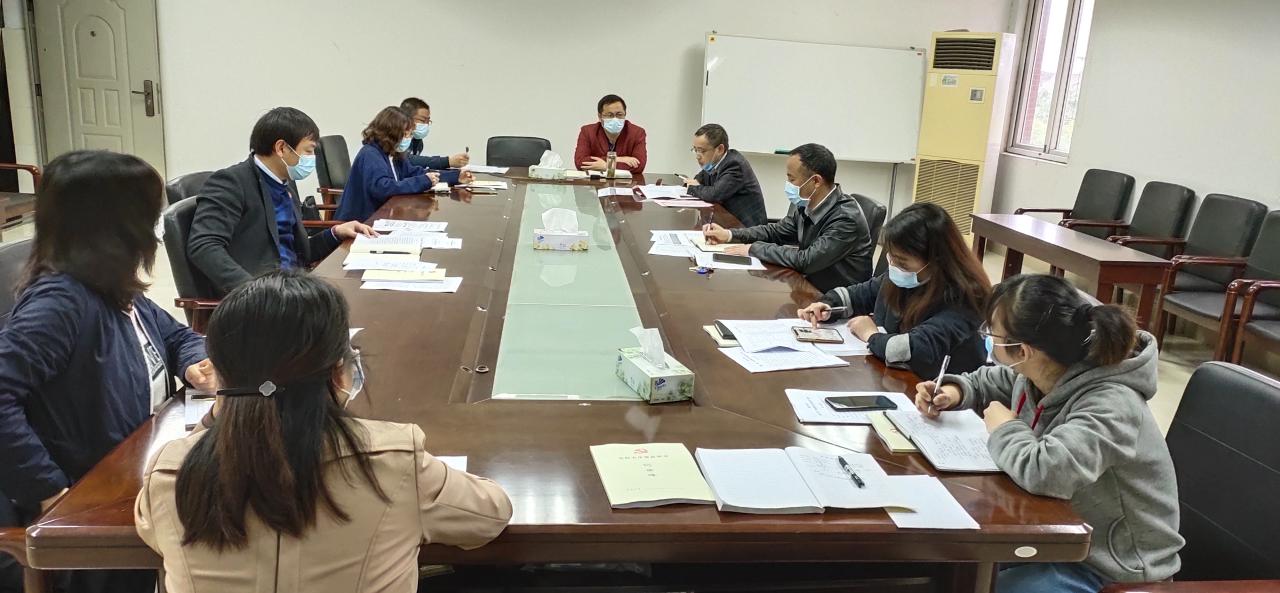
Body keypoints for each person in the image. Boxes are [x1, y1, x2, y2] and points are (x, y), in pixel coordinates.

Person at [135, 271, 513, 593]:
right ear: (339, 373)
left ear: (222, 379)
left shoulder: (169, 473)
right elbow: (491, 514)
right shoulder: (396, 460)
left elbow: (152, 531)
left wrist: (219, 416)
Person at [0, 150, 216, 593]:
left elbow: (175, 335)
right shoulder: (60, 304)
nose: (154, 232)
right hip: (88, 506)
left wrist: (194, 361)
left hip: (133, 466)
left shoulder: (112, 285)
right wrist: (47, 489)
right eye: (147, 217)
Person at [916, 274, 1182, 592]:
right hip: (1054, 535)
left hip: (1109, 566)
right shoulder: (1047, 370)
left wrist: (1005, 428)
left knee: (976, 585)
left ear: (1022, 351)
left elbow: (1048, 471)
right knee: (946, 567)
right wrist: (954, 391)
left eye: (992, 334)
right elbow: (992, 380)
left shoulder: (1112, 403)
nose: (988, 339)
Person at [188, 107, 376, 296]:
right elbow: (204, 246)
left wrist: (335, 233)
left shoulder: (285, 184)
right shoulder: (232, 182)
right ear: (281, 148)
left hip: (295, 284)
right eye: (308, 151)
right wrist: (253, 290)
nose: (312, 159)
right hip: (267, 295)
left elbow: (298, 252)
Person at [797, 203, 990, 378]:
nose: (894, 267)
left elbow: (917, 349)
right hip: (893, 376)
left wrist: (870, 335)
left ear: (936, 261)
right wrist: (828, 306)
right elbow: (862, 294)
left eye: (902, 262)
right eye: (892, 258)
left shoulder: (965, 297)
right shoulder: (906, 277)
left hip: (940, 391)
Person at [702, 143, 873, 291]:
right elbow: (777, 231)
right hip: (809, 286)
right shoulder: (807, 204)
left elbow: (807, 260)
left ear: (816, 181)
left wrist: (754, 248)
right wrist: (729, 234)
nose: (788, 185)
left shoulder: (846, 219)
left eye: (792, 179)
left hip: (836, 300)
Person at [336, 106, 475, 222]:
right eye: (406, 134)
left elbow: (415, 172)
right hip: (362, 223)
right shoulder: (370, 154)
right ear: (391, 133)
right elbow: (383, 188)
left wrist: (456, 177)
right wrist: (423, 181)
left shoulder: (392, 153)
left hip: (383, 217)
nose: (408, 139)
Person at [681, 123, 766, 227]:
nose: (697, 156)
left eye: (701, 151)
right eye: (695, 150)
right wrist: (697, 182)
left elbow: (714, 195)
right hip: (724, 222)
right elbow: (701, 176)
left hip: (746, 229)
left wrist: (692, 188)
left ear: (720, 149)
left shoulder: (734, 165)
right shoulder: (714, 162)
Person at [574, 94, 647, 174]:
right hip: (596, 181)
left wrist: (607, 166)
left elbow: (639, 165)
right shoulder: (588, 132)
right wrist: (616, 159)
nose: (615, 119)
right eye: (609, 115)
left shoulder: (637, 133)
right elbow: (580, 162)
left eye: (619, 115)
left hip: (626, 181)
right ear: (600, 116)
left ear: (625, 114)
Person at [400, 96, 468, 176]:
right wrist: (447, 161)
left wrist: (454, 176)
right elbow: (406, 159)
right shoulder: (396, 138)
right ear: (406, 118)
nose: (426, 124)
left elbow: (413, 169)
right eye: (422, 120)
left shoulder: (418, 141)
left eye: (428, 121)